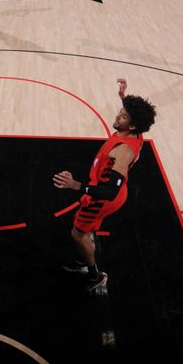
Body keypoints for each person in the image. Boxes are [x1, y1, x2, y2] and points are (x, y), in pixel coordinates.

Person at [53, 78, 156, 291]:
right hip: (103, 192)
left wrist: (77, 186)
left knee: (77, 233)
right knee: (83, 227)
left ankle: (94, 274)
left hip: (103, 197)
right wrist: (123, 95)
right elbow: (134, 114)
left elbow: (110, 192)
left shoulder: (124, 151)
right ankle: (86, 255)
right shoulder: (135, 131)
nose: (118, 115)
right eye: (121, 110)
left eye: (123, 115)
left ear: (133, 125)